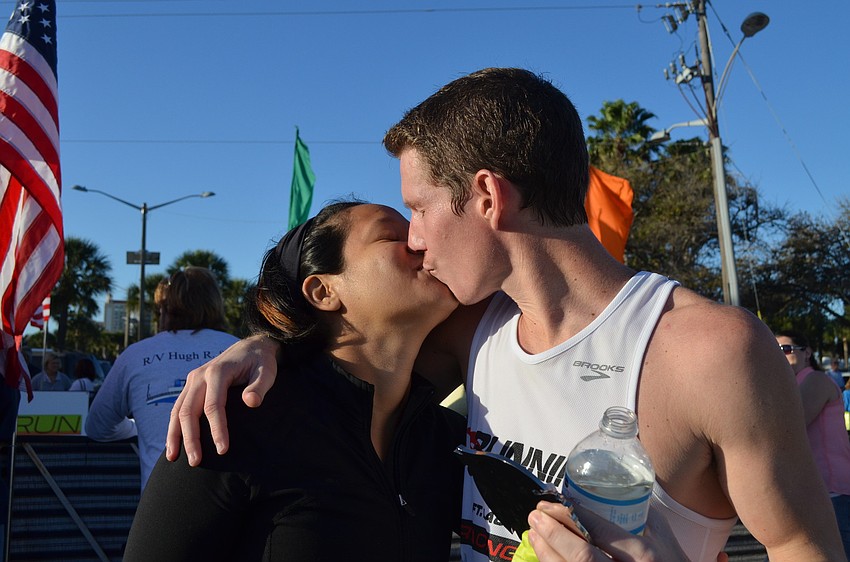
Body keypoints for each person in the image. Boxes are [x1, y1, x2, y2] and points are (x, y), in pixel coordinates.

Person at [167, 68, 844, 561]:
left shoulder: (706, 351)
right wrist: (262, 345)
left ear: (487, 195)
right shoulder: (473, 330)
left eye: (421, 208)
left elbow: (803, 549)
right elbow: (353, 348)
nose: (418, 239)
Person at [124, 202, 465, 562]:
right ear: (323, 291)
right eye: (391, 235)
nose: (421, 241)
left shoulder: (449, 442)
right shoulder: (233, 425)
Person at [85, 266, 239, 490]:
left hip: (161, 504)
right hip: (239, 503)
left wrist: (138, 427)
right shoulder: (238, 349)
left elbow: (97, 426)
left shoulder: (136, 355)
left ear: (166, 310)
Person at [776, 330, 850, 559]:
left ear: (807, 352)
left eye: (786, 349)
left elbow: (790, 424)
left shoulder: (816, 379)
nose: (780, 355)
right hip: (804, 492)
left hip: (830, 491)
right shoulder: (787, 385)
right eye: (773, 351)